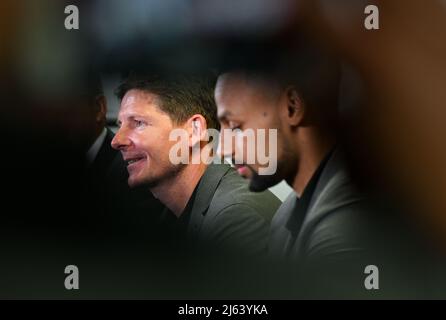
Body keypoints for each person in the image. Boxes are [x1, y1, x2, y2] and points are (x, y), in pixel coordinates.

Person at [214, 60, 383, 297]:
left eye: (235, 126)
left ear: (293, 106)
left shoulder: (342, 229)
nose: (223, 149)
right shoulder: (287, 215)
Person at [111, 73, 281, 257]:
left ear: (194, 130)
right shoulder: (165, 216)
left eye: (138, 123)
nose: (116, 140)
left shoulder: (237, 215)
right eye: (120, 125)